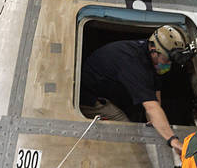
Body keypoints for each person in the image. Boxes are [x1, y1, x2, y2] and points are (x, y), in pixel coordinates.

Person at [79, 25, 188, 153]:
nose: (168, 63)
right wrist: (173, 141)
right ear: (154, 50)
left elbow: (155, 94)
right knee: (125, 128)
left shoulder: (151, 55)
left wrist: (153, 121)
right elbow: (151, 107)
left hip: (112, 90)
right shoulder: (134, 63)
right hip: (90, 97)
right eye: (167, 59)